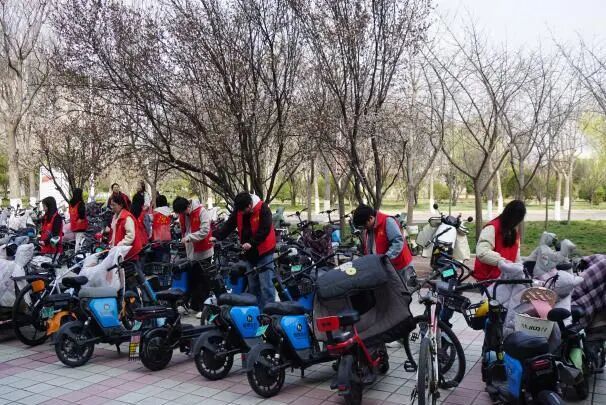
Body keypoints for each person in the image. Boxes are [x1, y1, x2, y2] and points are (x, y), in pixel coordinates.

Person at [214, 192, 276, 309]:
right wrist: (217, 236)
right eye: (239, 211)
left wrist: (252, 243)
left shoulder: (263, 208)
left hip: (264, 251)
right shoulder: (239, 210)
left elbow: (265, 229)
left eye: (243, 210)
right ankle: (255, 311)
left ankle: (270, 312)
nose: (241, 213)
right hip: (249, 253)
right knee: (253, 285)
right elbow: (229, 224)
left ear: (249, 205)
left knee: (266, 285)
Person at [173, 196, 214, 316]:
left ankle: (204, 308)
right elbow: (185, 230)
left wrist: (189, 237)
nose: (183, 214)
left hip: (204, 251)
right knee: (193, 279)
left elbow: (205, 231)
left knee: (203, 280)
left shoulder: (201, 211)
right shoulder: (183, 215)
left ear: (188, 206)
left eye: (183, 211)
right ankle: (195, 306)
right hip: (191, 251)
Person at [474, 200, 526, 281]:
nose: (515, 223)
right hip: (488, 277)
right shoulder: (492, 227)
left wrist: (520, 267)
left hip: (505, 278)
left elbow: (516, 257)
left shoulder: (514, 233)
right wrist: (501, 262)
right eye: (514, 218)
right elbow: (482, 252)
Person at [352, 204, 413, 272]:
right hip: (386, 266)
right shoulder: (370, 228)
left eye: (365, 225)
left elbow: (398, 242)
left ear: (370, 218)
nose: (364, 228)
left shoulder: (388, 221)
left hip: (400, 265)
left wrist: (385, 258)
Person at [109, 193, 146, 261]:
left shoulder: (127, 217)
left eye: (114, 205)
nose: (112, 207)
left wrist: (119, 245)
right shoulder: (115, 216)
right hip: (121, 252)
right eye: (111, 205)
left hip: (129, 254)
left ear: (121, 205)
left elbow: (130, 236)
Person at [151, 194, 172, 262]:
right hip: (167, 237)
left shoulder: (154, 212)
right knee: (167, 257)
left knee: (158, 260)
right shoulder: (169, 212)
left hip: (157, 239)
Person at [68, 188, 88, 252]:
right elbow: (82, 214)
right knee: (79, 241)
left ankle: (76, 252)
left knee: (77, 240)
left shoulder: (71, 204)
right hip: (80, 225)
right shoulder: (80, 203)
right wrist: (81, 219)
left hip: (73, 224)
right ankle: (77, 254)